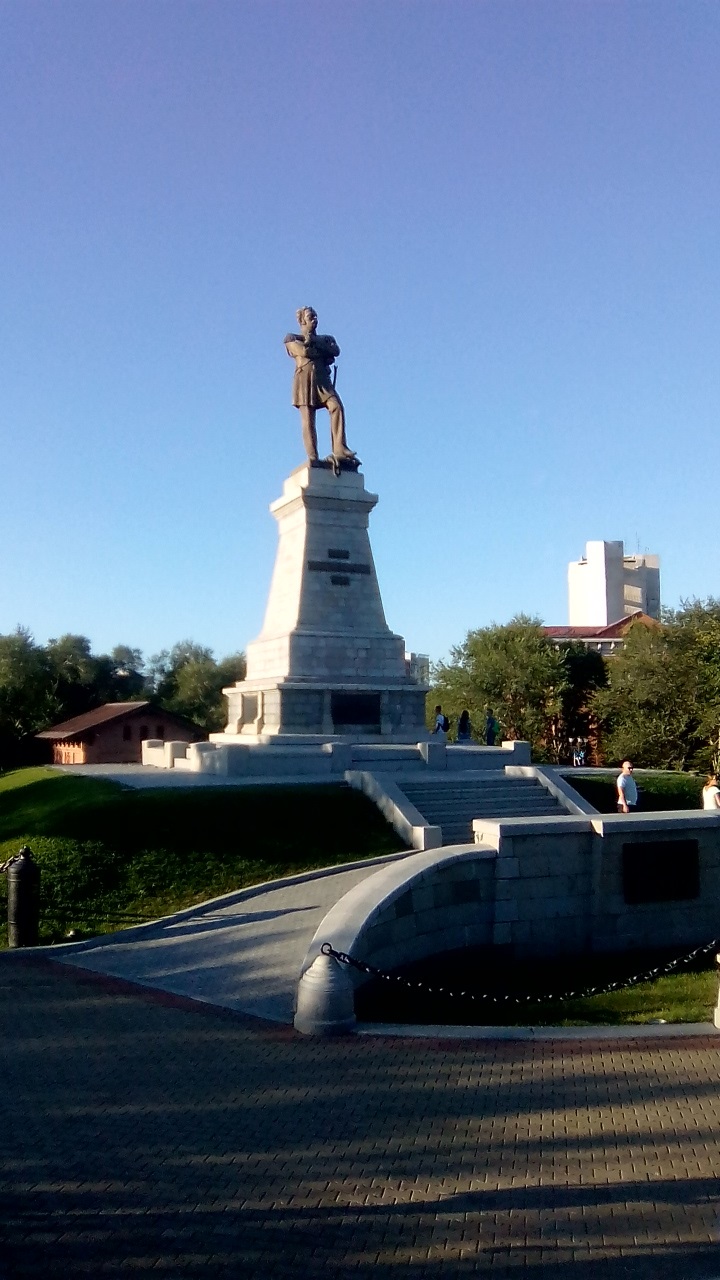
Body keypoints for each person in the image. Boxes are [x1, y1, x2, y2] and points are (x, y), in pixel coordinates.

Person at [284, 307, 358, 466]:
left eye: (315, 316)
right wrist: (321, 350)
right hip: (304, 379)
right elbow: (303, 351)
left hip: (323, 379)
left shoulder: (326, 338)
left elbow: (335, 350)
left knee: (336, 407)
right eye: (310, 316)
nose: (314, 319)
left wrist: (315, 343)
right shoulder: (291, 338)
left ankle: (339, 447)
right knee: (308, 419)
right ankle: (313, 456)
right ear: (302, 320)